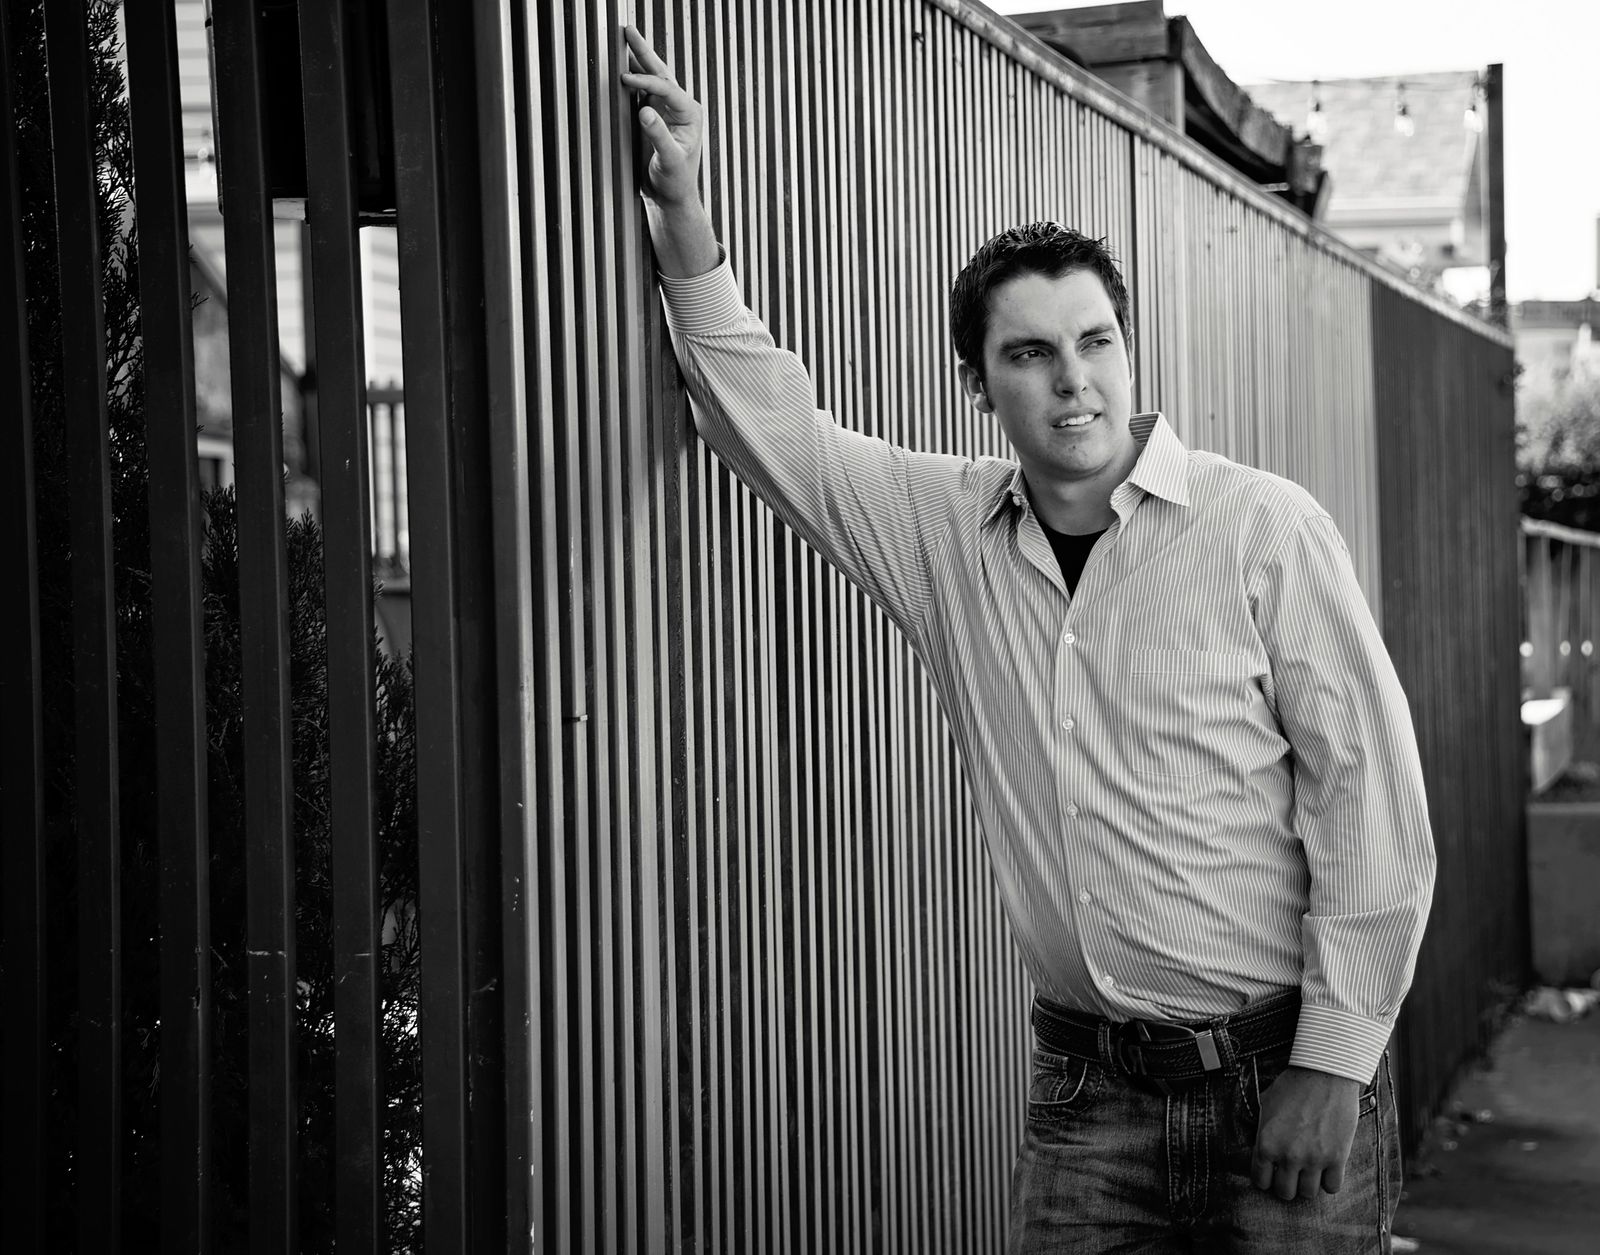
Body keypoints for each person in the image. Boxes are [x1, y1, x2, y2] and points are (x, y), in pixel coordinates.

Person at [621, 24, 1435, 1253]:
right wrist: (682, 212)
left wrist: (1336, 1058)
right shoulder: (943, 534)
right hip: (1086, 1098)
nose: (1074, 380)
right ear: (978, 381)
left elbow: (1368, 794)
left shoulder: (1262, 528)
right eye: (1030, 353)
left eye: (1095, 341)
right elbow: (770, 423)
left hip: (1281, 1079)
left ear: (1127, 348)